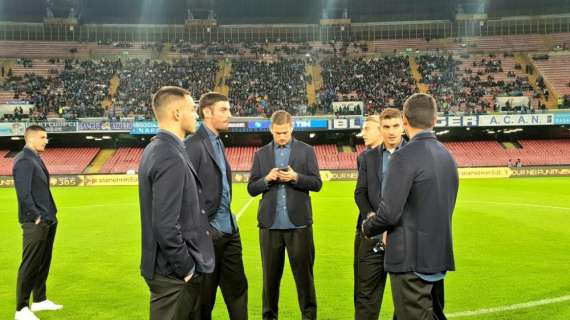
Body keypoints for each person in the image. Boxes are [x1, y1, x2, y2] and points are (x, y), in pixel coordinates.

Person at [363, 93, 459, 320]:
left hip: (410, 259)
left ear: (404, 121)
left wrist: (368, 226)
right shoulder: (447, 156)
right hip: (436, 256)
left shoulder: (403, 157)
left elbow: (389, 213)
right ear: (435, 120)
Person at [138, 86, 215, 320]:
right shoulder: (168, 154)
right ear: (177, 113)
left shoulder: (160, 148)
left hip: (168, 271)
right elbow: (165, 224)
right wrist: (187, 268)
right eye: (193, 109)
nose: (197, 115)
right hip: (172, 274)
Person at [247, 110, 322, 320]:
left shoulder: (306, 151)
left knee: (305, 280)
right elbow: (252, 188)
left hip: (299, 226)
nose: (281, 136)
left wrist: (296, 177)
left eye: (285, 132)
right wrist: (267, 179)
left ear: (292, 128)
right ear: (271, 129)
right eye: (278, 132)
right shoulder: (260, 154)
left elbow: (317, 184)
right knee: (269, 281)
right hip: (270, 227)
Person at [185, 92, 248, 320]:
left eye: (229, 110)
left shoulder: (218, 142)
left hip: (230, 231)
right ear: (207, 112)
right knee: (204, 299)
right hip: (209, 233)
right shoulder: (193, 144)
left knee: (238, 291)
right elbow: (187, 194)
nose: (229, 115)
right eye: (224, 110)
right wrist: (203, 229)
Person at [354, 109, 406, 320]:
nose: (391, 132)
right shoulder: (367, 157)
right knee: (366, 297)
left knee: (404, 299)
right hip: (373, 236)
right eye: (386, 127)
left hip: (403, 239)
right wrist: (372, 218)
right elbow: (360, 193)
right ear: (381, 129)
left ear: (403, 126)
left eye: (395, 126)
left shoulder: (413, 153)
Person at [13, 125, 62, 320]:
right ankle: (21, 308)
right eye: (42, 137)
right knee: (31, 263)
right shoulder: (24, 160)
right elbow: (23, 194)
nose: (46, 140)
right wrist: (36, 216)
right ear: (30, 139)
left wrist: (50, 215)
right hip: (35, 221)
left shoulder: (34, 159)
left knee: (43, 262)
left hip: (48, 218)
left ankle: (40, 300)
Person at [353, 115, 383, 311]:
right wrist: (369, 216)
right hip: (367, 229)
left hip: (396, 232)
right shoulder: (363, 157)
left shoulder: (403, 154)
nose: (363, 134)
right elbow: (360, 192)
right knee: (363, 291)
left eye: (367, 129)